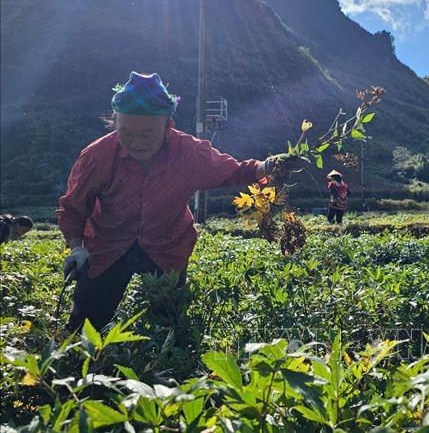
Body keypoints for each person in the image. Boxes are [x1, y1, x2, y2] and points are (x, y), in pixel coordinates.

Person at [57, 72, 287, 331]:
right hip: (107, 245)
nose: (136, 142)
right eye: (126, 133)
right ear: (115, 124)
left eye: (146, 134)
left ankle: (166, 369)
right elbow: (73, 208)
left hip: (166, 247)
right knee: (84, 325)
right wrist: (77, 247)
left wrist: (269, 166)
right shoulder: (97, 157)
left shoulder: (190, 153)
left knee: (169, 326)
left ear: (167, 126)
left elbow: (234, 171)